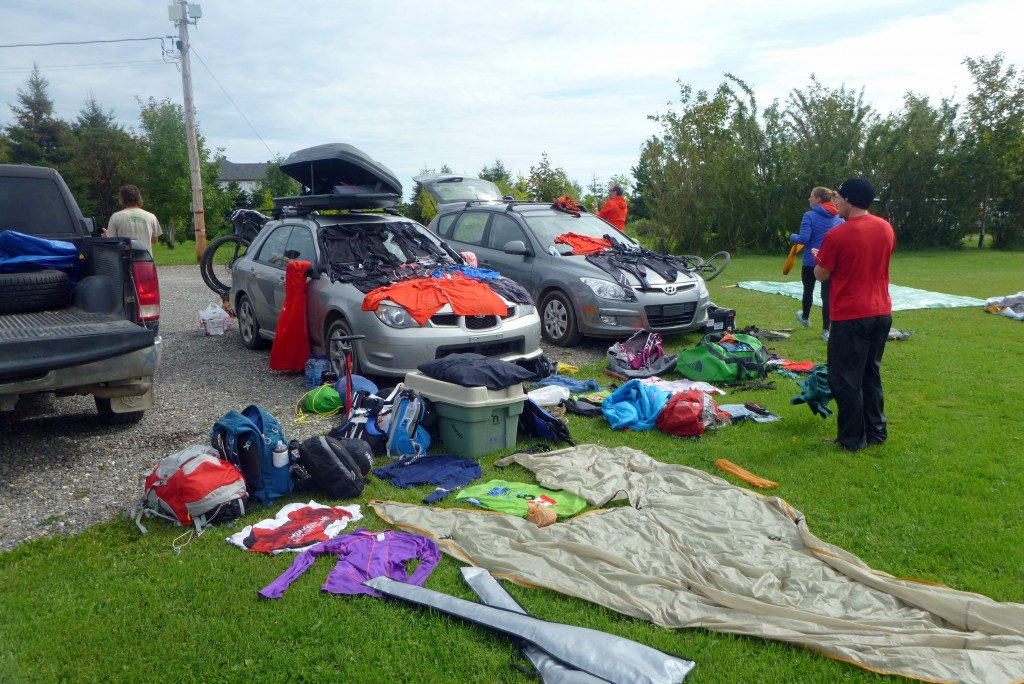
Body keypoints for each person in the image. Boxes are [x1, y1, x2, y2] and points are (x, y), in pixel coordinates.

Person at [813, 177, 895, 452]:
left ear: (848, 200)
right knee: (870, 374)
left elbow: (822, 274)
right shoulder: (885, 228)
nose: (835, 203)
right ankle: (876, 433)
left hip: (851, 314)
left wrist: (818, 257)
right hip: (881, 311)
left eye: (837, 198)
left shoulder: (838, 235)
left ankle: (851, 439)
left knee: (845, 378)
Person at [791, 186, 843, 340]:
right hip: (829, 262)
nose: (809, 198)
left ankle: (805, 318)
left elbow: (804, 239)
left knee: (808, 289)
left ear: (819, 199)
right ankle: (826, 331)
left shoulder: (809, 216)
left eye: (811, 196)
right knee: (827, 296)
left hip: (810, 262)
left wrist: (793, 237)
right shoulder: (838, 216)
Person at [104, 185, 162, 255]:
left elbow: (112, 242)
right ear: (138, 198)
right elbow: (154, 240)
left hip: (124, 260)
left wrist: (105, 238)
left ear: (122, 199)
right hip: (145, 260)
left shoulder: (115, 217)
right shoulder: (151, 216)